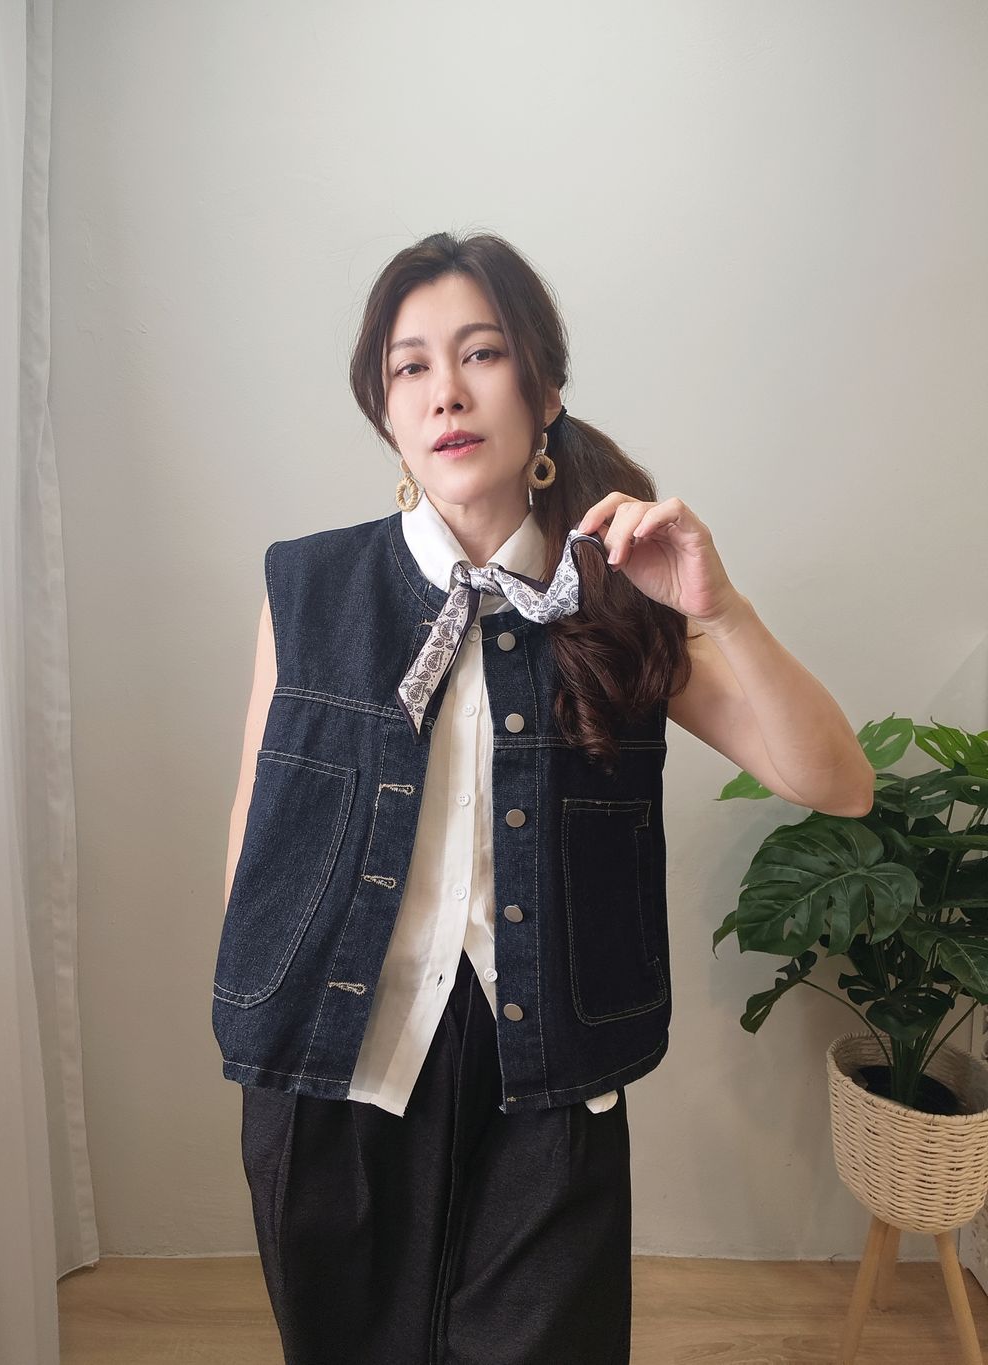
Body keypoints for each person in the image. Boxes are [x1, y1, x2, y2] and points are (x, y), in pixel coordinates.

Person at [213, 231, 873, 1364]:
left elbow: (839, 783)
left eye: (481, 353)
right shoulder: (310, 586)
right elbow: (255, 827)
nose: (446, 390)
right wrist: (266, 1015)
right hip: (335, 1063)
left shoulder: (621, 597)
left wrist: (720, 611)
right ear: (386, 410)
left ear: (545, 388)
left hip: (547, 1071)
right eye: (411, 366)